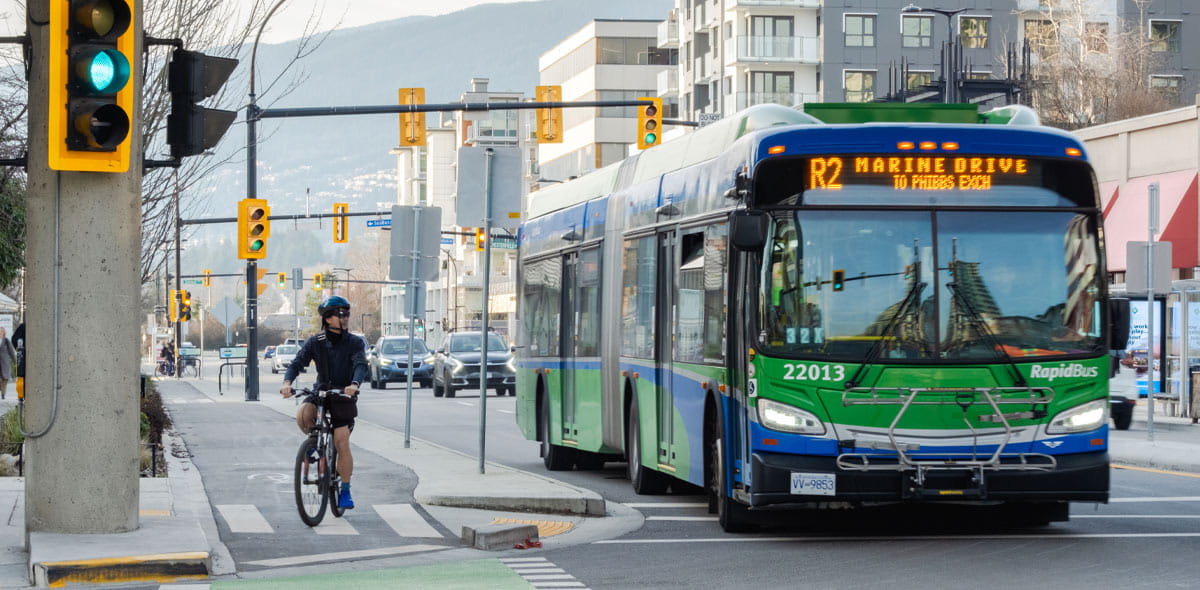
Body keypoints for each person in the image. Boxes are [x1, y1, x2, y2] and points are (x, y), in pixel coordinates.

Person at [280, 296, 368, 509]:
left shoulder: (355, 342)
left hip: (343, 394)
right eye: (340, 314)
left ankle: (345, 490)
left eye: (346, 314)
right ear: (328, 319)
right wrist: (287, 382)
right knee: (303, 414)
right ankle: (314, 444)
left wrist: (354, 384)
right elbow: (297, 362)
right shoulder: (315, 342)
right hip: (322, 391)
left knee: (341, 441)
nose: (345, 318)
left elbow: (360, 365)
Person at [0, 327, 15, 400]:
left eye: (1, 331)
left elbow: (11, 351)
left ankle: (3, 394)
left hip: (4, 363)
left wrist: (15, 361)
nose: (0, 333)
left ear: (4, 333)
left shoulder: (6, 341)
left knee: (4, 379)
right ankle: (1, 390)